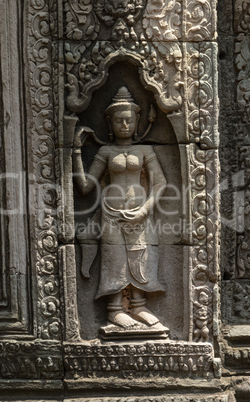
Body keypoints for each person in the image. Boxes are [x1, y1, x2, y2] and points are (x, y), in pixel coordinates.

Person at [73, 86, 168, 332]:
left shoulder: (145, 150)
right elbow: (85, 187)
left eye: (129, 120)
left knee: (140, 258)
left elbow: (160, 183)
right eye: (118, 120)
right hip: (111, 214)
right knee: (114, 261)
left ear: (137, 121)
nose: (124, 125)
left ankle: (138, 305)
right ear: (109, 122)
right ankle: (114, 310)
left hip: (140, 213)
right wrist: (74, 151)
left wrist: (145, 210)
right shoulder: (105, 151)